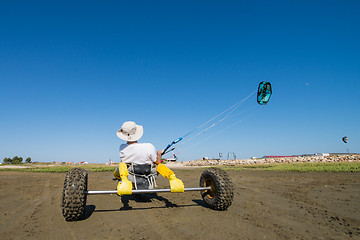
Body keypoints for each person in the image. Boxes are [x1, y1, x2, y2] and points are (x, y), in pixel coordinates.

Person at [114, 121, 184, 195]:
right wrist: (159, 154)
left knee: (121, 165)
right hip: (149, 176)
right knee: (158, 166)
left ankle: (123, 180)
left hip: (131, 177)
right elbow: (157, 162)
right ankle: (173, 178)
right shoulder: (149, 146)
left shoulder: (122, 147)